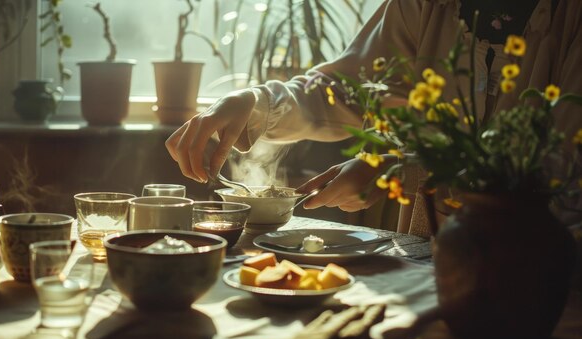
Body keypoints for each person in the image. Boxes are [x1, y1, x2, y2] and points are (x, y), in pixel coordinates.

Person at [166, 0, 582, 235]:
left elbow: (559, 162)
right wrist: (254, 102)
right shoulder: (423, 6)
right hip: (436, 257)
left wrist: (395, 166)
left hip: (551, 270)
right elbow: (351, 87)